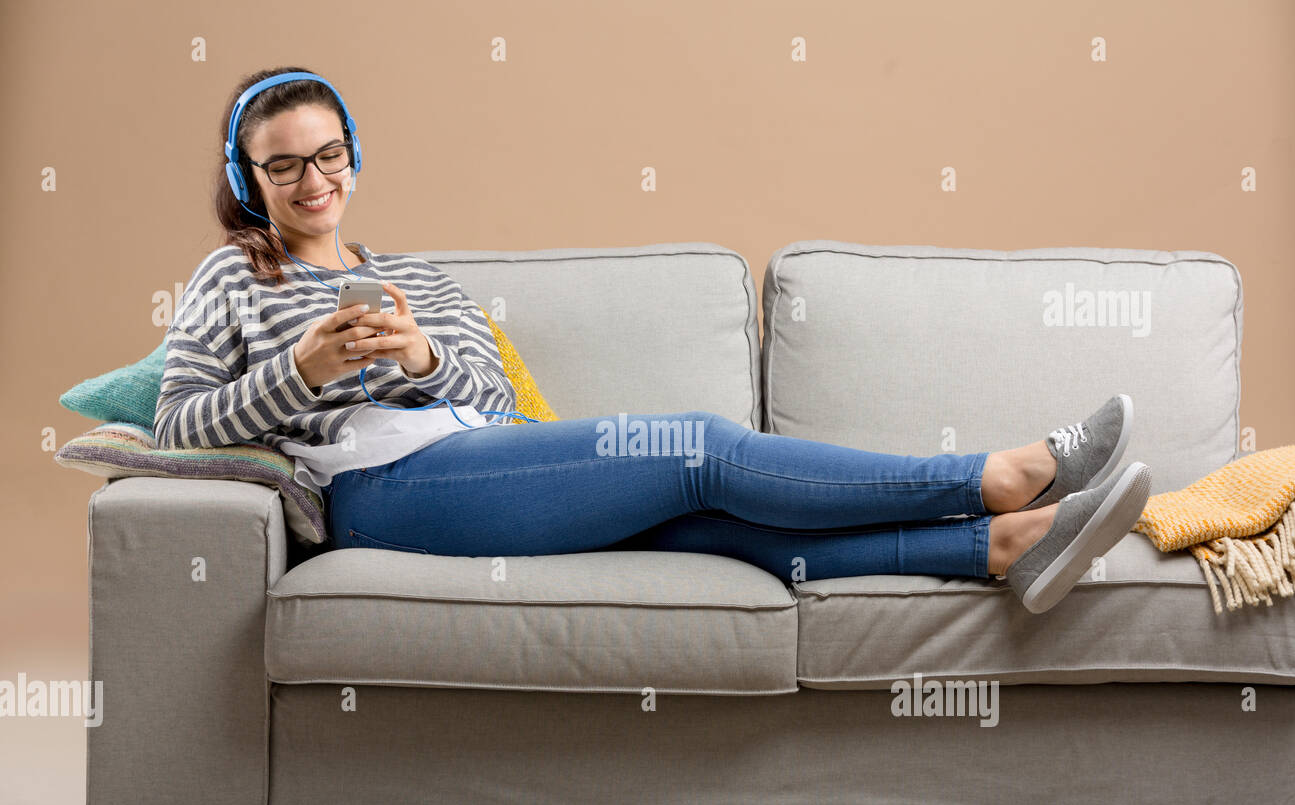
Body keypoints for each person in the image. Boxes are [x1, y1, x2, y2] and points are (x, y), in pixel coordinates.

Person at [157, 66, 1152, 615]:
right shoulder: (232, 277)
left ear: (353, 158)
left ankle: (1000, 545)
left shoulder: (417, 278)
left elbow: (493, 409)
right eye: (281, 165)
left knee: (725, 531)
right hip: (375, 490)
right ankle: (994, 474)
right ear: (249, 181)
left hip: (470, 458)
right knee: (696, 447)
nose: (311, 179)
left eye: (327, 154)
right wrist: (302, 371)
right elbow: (175, 426)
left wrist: (420, 360)